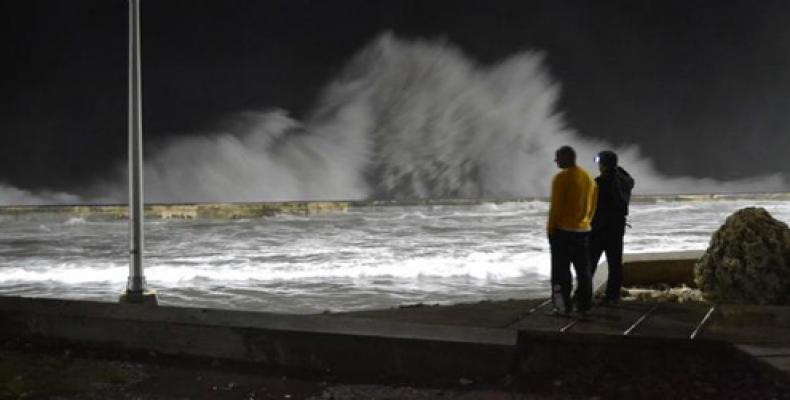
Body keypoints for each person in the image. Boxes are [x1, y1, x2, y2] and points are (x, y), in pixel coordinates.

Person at [547, 145, 598, 316]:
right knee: (583, 271)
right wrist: (586, 222)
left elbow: (556, 207)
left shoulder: (561, 178)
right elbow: (593, 205)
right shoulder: (588, 177)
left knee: (560, 271)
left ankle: (562, 307)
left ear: (567, 158)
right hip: (583, 230)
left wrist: (550, 229)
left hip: (562, 231)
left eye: (558, 157)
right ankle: (584, 305)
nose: (555, 161)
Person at [590, 150, 635, 305]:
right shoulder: (625, 181)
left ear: (603, 164)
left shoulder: (598, 182)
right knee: (615, 264)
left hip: (599, 229)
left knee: (589, 263)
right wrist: (616, 167)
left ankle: (582, 295)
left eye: (598, 161)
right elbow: (630, 178)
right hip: (617, 228)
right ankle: (612, 296)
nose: (598, 165)